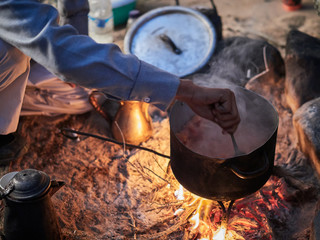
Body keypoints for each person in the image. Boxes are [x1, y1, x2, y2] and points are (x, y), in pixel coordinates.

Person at [0, 0, 240, 165]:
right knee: (10, 54)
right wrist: (184, 90)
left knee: (83, 95)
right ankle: (3, 135)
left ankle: (12, 100)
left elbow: (70, 21)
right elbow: (57, 51)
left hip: (26, 38)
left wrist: (78, 51)